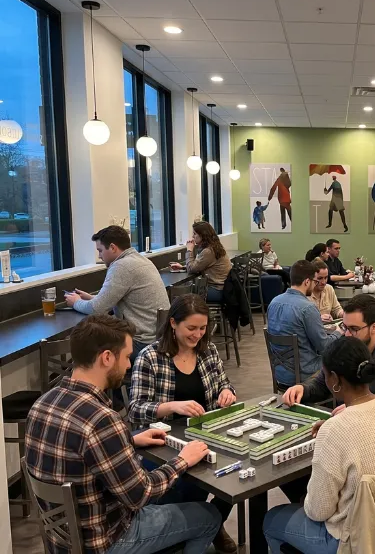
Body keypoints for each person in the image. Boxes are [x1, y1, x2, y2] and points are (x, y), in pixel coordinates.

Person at [25, 315, 219, 554]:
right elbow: (141, 494)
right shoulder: (102, 419)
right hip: (106, 541)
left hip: (62, 541)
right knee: (208, 515)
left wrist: (130, 439)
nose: (129, 365)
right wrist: (183, 460)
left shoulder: (43, 403)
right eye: (127, 357)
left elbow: (79, 452)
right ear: (107, 357)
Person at [263, 337, 375, 554]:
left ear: (334, 379)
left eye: (324, 375)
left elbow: (318, 512)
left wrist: (332, 430)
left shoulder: (334, 430)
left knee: (272, 519)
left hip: (352, 538)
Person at [129, 294, 238, 552]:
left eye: (202, 329)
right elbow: (135, 409)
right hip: (164, 443)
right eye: (191, 328)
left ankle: (212, 520)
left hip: (206, 433)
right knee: (187, 484)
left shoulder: (208, 350)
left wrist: (227, 393)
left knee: (238, 474)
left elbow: (224, 383)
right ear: (173, 323)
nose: (197, 335)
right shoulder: (150, 356)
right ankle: (200, 524)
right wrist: (171, 406)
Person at [65, 225, 170, 361]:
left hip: (142, 344)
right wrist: (92, 298)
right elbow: (119, 298)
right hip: (158, 339)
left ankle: (97, 381)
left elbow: (97, 309)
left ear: (113, 248)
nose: (99, 256)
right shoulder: (140, 259)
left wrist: (75, 302)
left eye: (100, 250)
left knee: (91, 349)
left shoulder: (121, 266)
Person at [283, 294, 375, 406]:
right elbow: (321, 384)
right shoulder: (342, 349)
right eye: (345, 327)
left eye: (354, 329)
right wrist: (302, 389)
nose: (347, 334)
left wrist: (355, 413)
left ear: (374, 327)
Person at [266, 260, 342, 385]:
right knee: (342, 358)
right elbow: (324, 346)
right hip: (305, 374)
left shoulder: (274, 302)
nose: (315, 285)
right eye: (315, 281)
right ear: (307, 281)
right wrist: (339, 331)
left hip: (279, 373)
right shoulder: (308, 308)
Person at [170, 221, 231, 302]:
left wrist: (189, 250)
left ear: (203, 235)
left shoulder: (208, 251)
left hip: (216, 290)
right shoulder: (214, 247)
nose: (192, 236)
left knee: (181, 295)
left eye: (195, 234)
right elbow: (199, 265)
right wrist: (183, 267)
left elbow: (192, 269)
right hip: (222, 288)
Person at [308, 258, 343, 322]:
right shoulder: (305, 293)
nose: (323, 282)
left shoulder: (329, 289)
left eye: (326, 278)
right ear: (311, 278)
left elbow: (336, 309)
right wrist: (318, 319)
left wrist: (343, 314)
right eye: (320, 278)